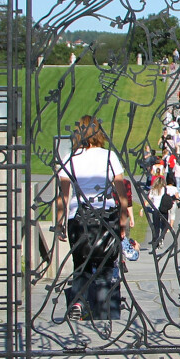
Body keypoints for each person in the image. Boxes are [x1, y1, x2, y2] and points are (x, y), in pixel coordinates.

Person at [54, 115, 138, 320]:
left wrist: (59, 223)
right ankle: (104, 307)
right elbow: (121, 194)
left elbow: (63, 196)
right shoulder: (108, 156)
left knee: (80, 264)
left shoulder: (71, 159)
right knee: (107, 265)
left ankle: (78, 301)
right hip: (105, 217)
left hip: (78, 217)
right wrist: (123, 220)